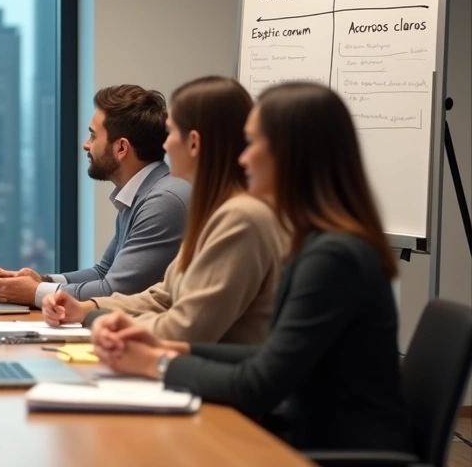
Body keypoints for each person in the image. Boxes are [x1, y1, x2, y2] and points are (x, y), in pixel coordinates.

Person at [90, 81, 410, 453]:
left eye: (253, 143)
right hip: (305, 433)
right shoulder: (320, 240)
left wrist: (158, 362)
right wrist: (166, 347)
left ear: (291, 155)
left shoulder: (334, 256)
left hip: (332, 450)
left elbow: (258, 385)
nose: (242, 157)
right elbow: (270, 354)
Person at [43, 76, 287, 344]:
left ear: (193, 143)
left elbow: (188, 326)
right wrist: (89, 309)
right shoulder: (215, 209)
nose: (165, 145)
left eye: (171, 133)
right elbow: (165, 294)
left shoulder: (241, 217)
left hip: (214, 378)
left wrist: (97, 319)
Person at [0, 84, 190, 306]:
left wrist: (35, 293)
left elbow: (114, 290)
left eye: (93, 136)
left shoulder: (163, 200)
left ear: (121, 148)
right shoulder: (143, 192)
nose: (86, 145)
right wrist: (41, 281)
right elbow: (103, 272)